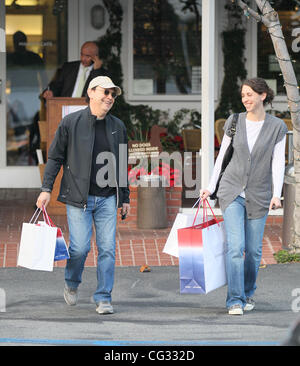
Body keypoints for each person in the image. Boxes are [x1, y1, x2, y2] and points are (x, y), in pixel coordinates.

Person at [36, 76, 130, 315]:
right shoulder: (71, 123)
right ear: (91, 92)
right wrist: (46, 189)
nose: (109, 97)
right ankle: (71, 282)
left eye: (113, 94)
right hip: (80, 198)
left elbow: (121, 165)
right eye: (105, 92)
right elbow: (55, 157)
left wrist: (125, 197)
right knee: (79, 248)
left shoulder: (118, 126)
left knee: (107, 248)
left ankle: (104, 297)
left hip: (108, 197)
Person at [200, 77, 288, 315]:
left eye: (249, 94)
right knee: (236, 247)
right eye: (243, 95)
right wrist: (211, 186)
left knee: (254, 251)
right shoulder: (235, 121)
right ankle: (235, 300)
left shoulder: (277, 127)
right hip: (231, 192)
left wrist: (277, 194)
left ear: (262, 95)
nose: (246, 99)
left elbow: (278, 162)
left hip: (259, 194)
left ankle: (248, 292)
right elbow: (222, 157)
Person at [42, 41, 108, 98]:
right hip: (65, 106)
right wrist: (51, 92)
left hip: (85, 109)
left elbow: (99, 92)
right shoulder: (68, 67)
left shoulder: (101, 73)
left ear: (95, 56)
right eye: (82, 54)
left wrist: (96, 71)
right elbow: (56, 85)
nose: (83, 59)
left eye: (87, 56)